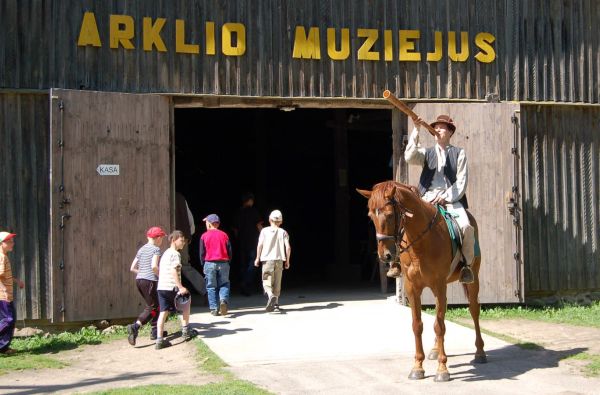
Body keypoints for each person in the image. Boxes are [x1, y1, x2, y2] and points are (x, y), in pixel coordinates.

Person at [404, 114, 475, 284]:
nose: (437, 129)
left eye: (442, 127)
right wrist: (416, 129)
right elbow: (409, 157)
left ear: (450, 132)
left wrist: (445, 197)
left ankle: (466, 266)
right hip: (426, 198)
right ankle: (399, 263)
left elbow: (462, 181)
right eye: (436, 127)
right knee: (405, 221)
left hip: (451, 199)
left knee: (466, 227)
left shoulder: (459, 153)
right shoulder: (426, 153)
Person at [126, 226, 166, 346]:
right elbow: (154, 266)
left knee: (156, 306)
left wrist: (143, 272)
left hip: (139, 280)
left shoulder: (141, 249)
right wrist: (161, 276)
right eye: (162, 237)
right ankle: (135, 327)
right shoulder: (156, 249)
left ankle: (155, 331)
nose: (162, 240)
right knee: (152, 307)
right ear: (158, 238)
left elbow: (132, 268)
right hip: (150, 281)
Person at [155, 230, 195, 349]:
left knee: (163, 313)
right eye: (181, 241)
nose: (183, 243)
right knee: (186, 304)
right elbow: (173, 270)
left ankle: (159, 340)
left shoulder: (165, 253)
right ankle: (185, 330)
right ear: (173, 240)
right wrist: (181, 287)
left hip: (161, 287)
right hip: (171, 287)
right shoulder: (175, 254)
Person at [254, 210, 291, 312]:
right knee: (277, 282)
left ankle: (270, 296)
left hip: (267, 260)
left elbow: (260, 245)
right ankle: (276, 304)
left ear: (269, 219)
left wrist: (257, 258)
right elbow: (288, 247)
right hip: (279, 260)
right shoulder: (283, 232)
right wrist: (287, 260)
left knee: (266, 281)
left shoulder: (264, 231)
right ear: (281, 221)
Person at [199, 214, 232, 316]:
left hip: (209, 263)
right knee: (224, 284)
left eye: (206, 222)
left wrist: (203, 263)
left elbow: (202, 252)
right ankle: (223, 301)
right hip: (223, 263)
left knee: (211, 286)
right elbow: (229, 250)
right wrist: (228, 261)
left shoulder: (204, 236)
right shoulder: (224, 235)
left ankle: (213, 308)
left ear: (209, 223)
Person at [175, 192, 206, 296]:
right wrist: (189, 236)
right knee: (185, 266)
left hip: (169, 238)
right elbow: (190, 219)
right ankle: (206, 290)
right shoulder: (180, 198)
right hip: (182, 237)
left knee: (169, 265)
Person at [233, 192, 263, 296]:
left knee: (243, 264)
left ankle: (243, 284)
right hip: (252, 241)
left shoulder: (238, 212)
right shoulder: (253, 211)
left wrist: (239, 239)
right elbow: (259, 225)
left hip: (241, 241)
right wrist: (264, 236)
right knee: (253, 263)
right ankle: (245, 283)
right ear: (249, 200)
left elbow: (235, 229)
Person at [0, 231, 24, 355]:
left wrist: (16, 280)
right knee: (8, 320)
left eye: (12, 241)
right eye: (9, 242)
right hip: (3, 296)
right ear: (1, 243)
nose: (12, 243)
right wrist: (3, 289)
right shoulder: (1, 257)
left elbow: (4, 276)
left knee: (11, 319)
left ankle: (3, 348)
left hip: (7, 295)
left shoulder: (4, 256)